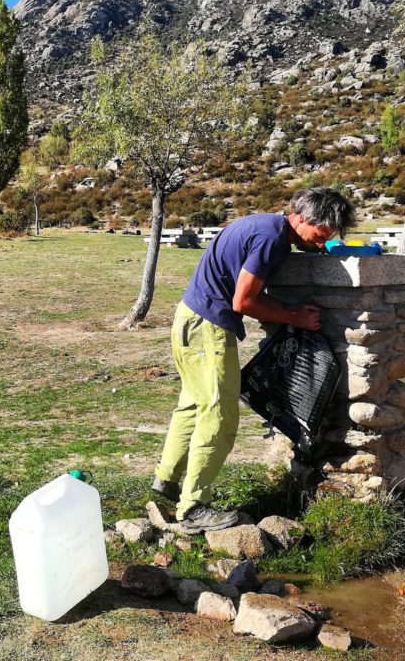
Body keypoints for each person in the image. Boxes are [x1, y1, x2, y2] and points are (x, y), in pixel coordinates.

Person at [152, 187, 356, 533]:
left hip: (189, 318)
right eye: (322, 234)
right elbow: (242, 301)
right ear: (304, 218)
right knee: (219, 413)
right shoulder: (271, 239)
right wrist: (295, 317)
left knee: (192, 405)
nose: (323, 242)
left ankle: (166, 482)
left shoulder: (263, 226)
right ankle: (193, 508)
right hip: (207, 329)